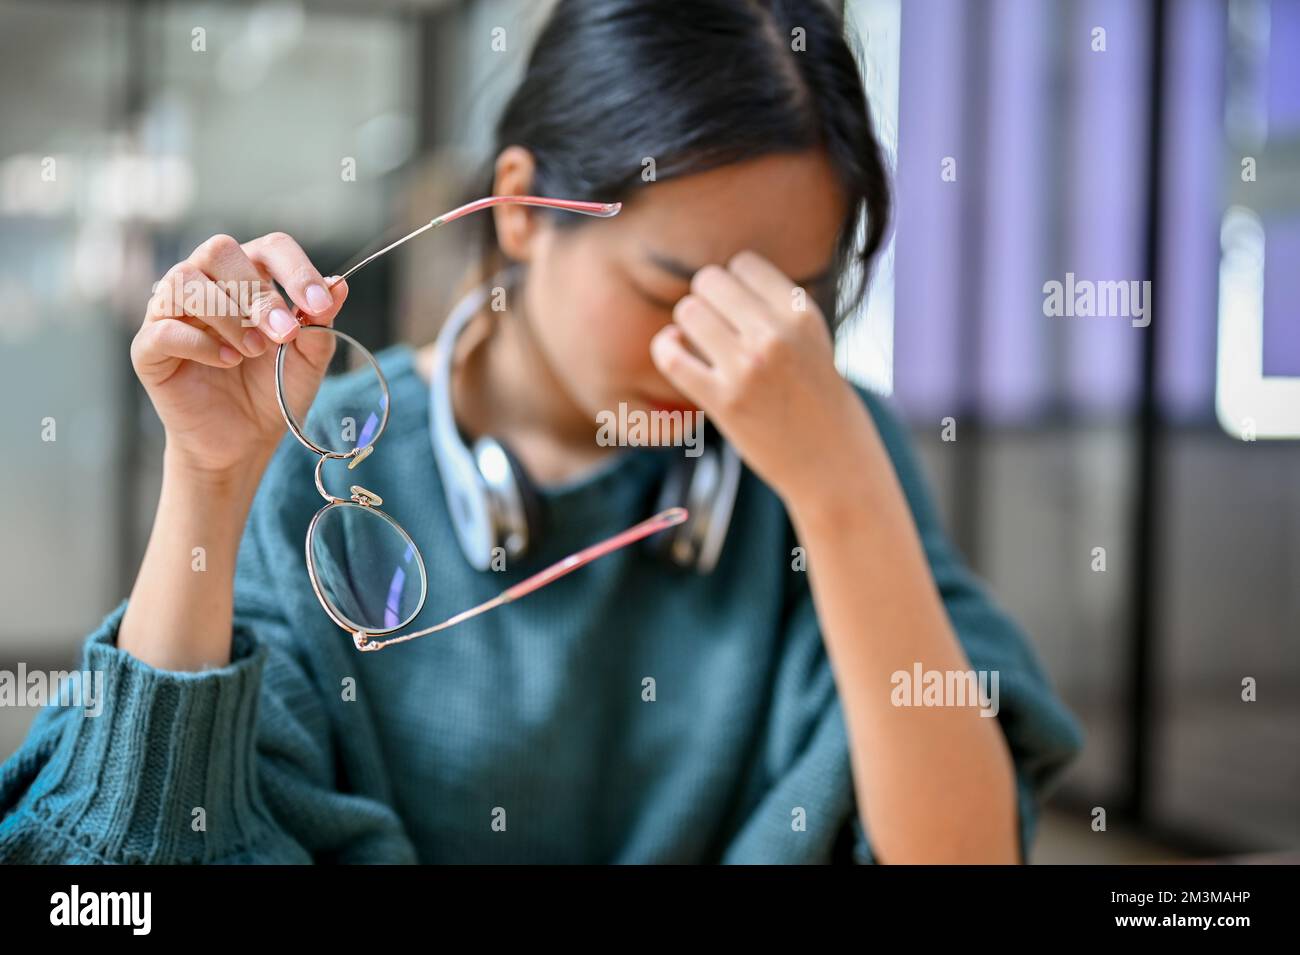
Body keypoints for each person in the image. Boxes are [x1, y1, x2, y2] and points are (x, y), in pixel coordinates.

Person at [0, 0, 1081, 864]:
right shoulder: (318, 469)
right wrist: (208, 480)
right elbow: (108, 875)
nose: (739, 356)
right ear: (519, 207)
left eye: (786, 304)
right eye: (675, 286)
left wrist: (841, 493)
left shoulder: (830, 454)